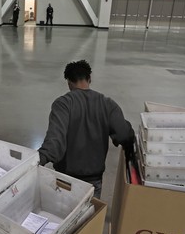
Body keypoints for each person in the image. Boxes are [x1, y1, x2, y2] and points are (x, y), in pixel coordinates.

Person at [38, 60, 135, 199]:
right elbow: (124, 134)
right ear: (90, 79)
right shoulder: (107, 104)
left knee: (63, 216)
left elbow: (54, 143)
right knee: (90, 218)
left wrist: (36, 160)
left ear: (69, 83)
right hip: (93, 181)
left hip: (65, 180)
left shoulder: (63, 104)